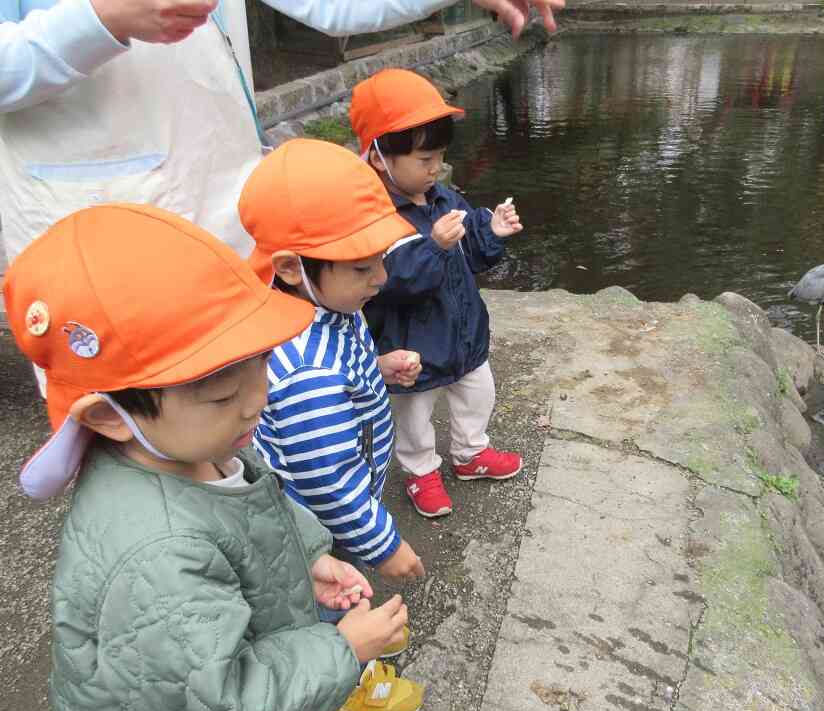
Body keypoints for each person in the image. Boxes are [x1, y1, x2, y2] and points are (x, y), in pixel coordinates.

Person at [2, 203, 423, 711]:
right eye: (223, 394)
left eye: (262, 364)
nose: (260, 398)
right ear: (107, 415)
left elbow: (252, 504)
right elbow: (220, 699)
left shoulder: (193, 445)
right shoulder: (157, 553)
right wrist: (341, 650)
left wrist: (308, 558)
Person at [0, 0, 563, 262]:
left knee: (233, 414)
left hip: (230, 211)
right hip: (95, 228)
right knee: (132, 429)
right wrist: (102, 18)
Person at [240, 138, 427, 583]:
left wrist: (374, 370)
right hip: (322, 523)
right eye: (362, 268)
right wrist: (385, 546)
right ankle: (345, 649)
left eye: (380, 259)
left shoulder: (323, 305)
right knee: (335, 592)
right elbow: (329, 480)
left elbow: (337, 375)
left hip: (342, 495)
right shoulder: (307, 373)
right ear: (290, 267)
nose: (381, 278)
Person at [349, 68, 523, 518]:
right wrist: (435, 247)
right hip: (411, 341)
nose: (435, 169)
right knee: (412, 412)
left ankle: (470, 453)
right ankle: (419, 470)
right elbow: (393, 280)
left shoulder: (444, 198)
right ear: (379, 158)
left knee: (477, 390)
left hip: (462, 330)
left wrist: (493, 233)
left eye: (440, 157)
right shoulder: (373, 215)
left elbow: (474, 256)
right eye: (424, 159)